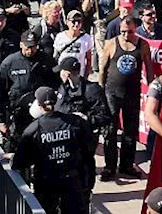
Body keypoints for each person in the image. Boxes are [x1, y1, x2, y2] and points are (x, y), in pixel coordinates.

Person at [11, 87, 91, 214]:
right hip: (72, 179)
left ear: (38, 104)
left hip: (46, 182)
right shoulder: (75, 122)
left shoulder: (33, 129)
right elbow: (88, 147)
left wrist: (12, 158)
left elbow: (19, 161)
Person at [97, 15, 154, 180]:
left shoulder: (142, 45)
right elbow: (103, 68)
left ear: (135, 29)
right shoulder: (111, 43)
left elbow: (149, 67)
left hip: (132, 93)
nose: (125, 35)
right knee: (110, 130)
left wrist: (150, 90)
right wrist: (101, 88)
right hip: (112, 93)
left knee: (131, 130)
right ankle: (109, 167)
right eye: (122, 31)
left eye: (129, 32)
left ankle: (127, 165)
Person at [54, 56, 110, 210]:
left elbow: (104, 116)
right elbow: (58, 110)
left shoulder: (92, 90)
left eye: (63, 73)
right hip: (65, 142)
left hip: (85, 143)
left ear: (69, 73)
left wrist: (86, 119)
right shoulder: (63, 89)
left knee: (84, 179)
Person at [0, 31, 59, 151]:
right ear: (21, 45)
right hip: (18, 115)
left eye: (33, 46)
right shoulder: (9, 63)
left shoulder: (46, 61)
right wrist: (0, 121)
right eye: (27, 47)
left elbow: (57, 85)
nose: (30, 50)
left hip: (42, 114)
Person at [53, 10, 95, 78]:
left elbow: (89, 58)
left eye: (79, 21)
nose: (76, 24)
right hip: (63, 74)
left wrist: (86, 74)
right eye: (73, 21)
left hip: (79, 74)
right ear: (67, 22)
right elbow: (55, 56)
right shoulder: (60, 37)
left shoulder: (86, 38)